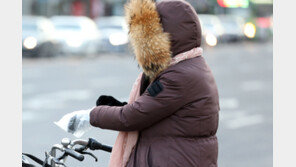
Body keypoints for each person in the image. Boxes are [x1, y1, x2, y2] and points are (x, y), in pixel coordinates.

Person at [77, 0, 219, 166]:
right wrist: (117, 106)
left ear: (167, 35)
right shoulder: (186, 66)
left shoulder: (179, 75)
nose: (142, 43)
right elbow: (155, 111)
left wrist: (90, 116)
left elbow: (133, 117)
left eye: (148, 35)